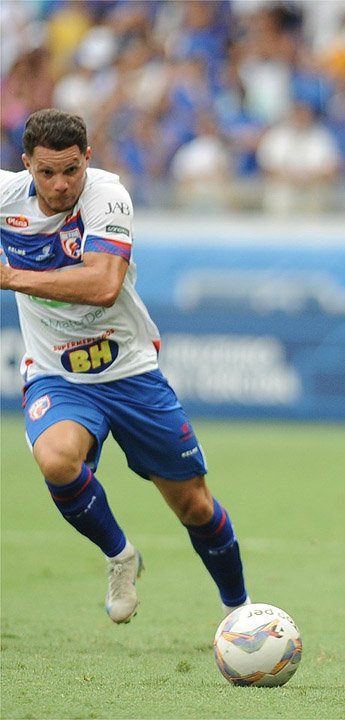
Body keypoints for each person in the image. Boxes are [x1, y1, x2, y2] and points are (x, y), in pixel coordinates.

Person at [0, 109, 249, 623]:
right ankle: (120, 556)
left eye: (72, 170)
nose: (61, 184)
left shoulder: (108, 196)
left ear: (88, 158)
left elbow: (103, 285)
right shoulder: (7, 200)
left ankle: (242, 612)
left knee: (195, 506)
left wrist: (11, 276)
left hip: (130, 371)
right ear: (26, 165)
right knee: (56, 459)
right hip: (58, 374)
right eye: (46, 173)